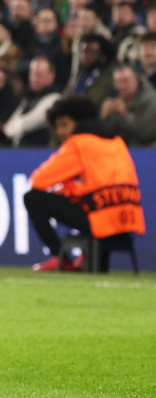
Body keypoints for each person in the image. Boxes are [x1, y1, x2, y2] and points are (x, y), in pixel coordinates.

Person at [24, 96, 145, 272]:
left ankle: (61, 258)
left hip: (101, 218)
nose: (60, 131)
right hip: (129, 219)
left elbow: (38, 180)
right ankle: (87, 258)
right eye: (57, 127)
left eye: (64, 124)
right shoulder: (117, 141)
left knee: (32, 198)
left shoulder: (79, 143)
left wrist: (65, 190)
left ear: (80, 122)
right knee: (88, 203)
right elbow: (103, 183)